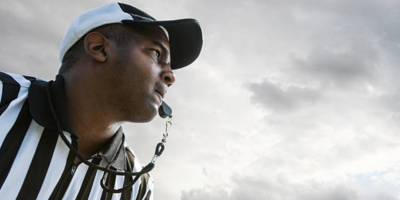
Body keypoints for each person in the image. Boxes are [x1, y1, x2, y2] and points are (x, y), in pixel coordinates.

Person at [0, 2, 202, 200]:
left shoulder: (137, 187)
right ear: (99, 48)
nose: (170, 76)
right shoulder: (4, 101)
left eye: (170, 66)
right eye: (156, 53)